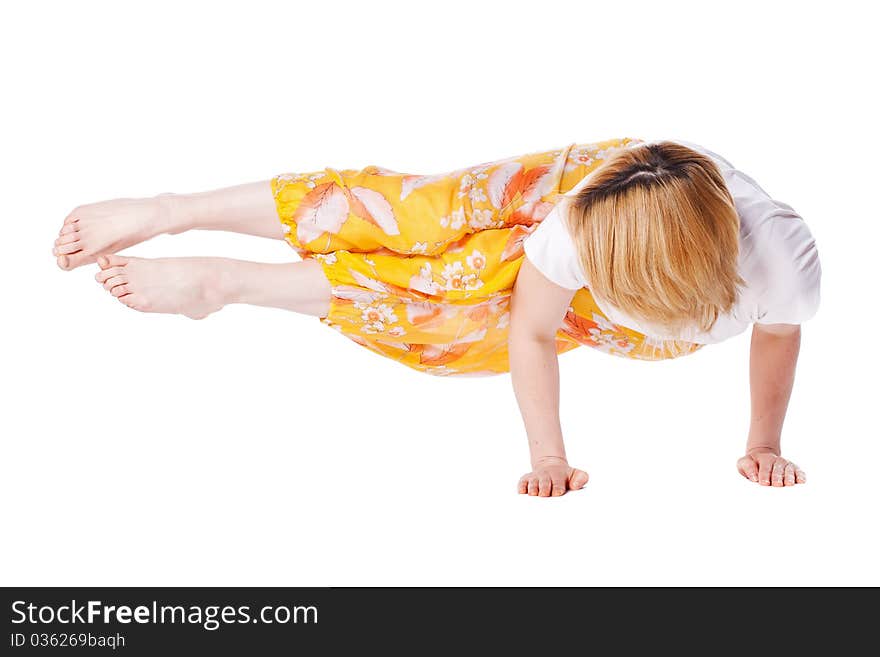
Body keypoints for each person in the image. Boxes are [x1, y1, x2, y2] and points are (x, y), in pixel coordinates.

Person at [52, 138, 821, 497]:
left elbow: (777, 336)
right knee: (418, 220)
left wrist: (763, 443)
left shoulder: (783, 259)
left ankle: (227, 284)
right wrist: (550, 454)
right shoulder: (571, 230)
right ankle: (171, 211)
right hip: (615, 195)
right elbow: (534, 326)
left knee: (457, 326)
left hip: (664, 249)